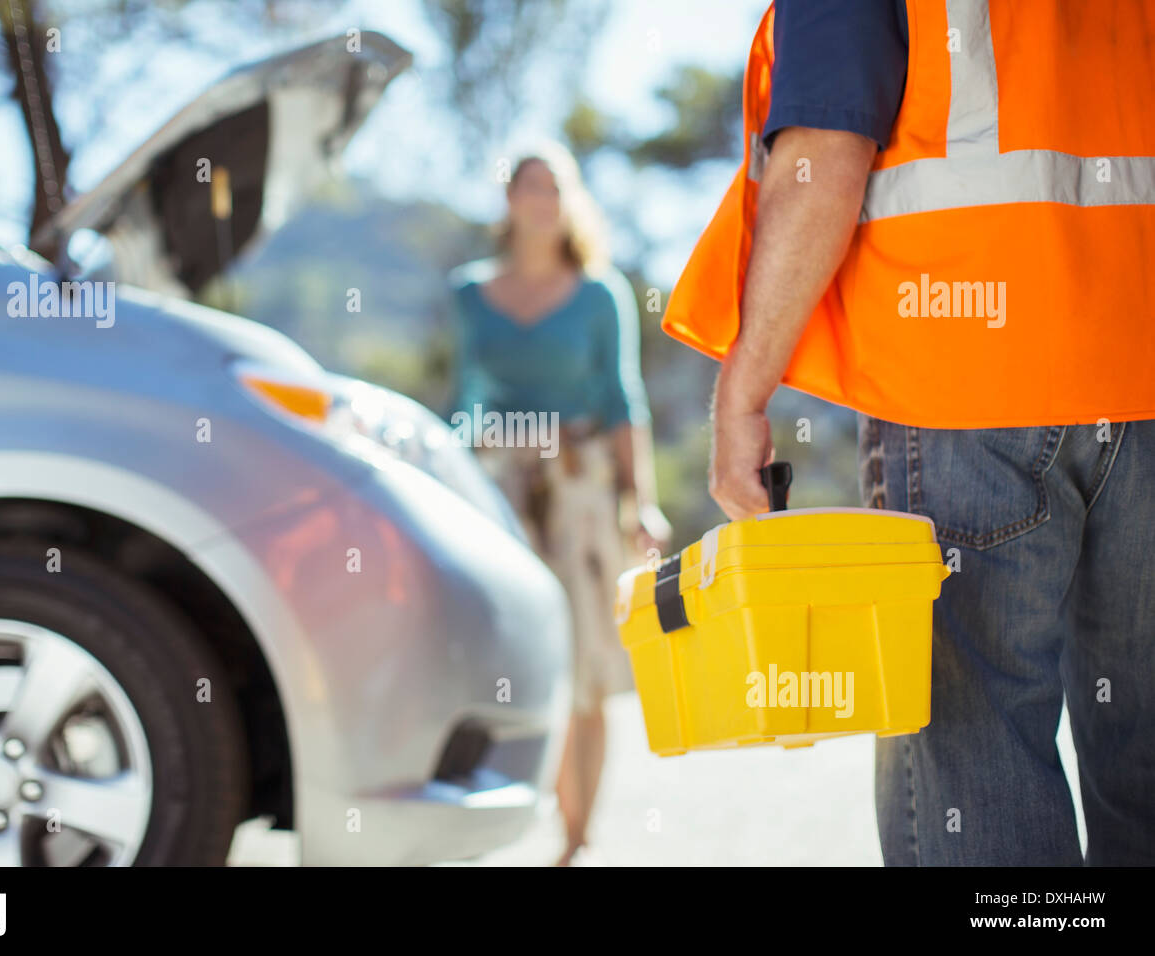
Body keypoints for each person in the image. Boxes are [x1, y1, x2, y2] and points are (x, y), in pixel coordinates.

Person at [663, 0, 1155, 865]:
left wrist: (744, 394)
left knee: (978, 749)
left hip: (965, 380)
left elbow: (824, 155)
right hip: (1140, 362)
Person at [447, 143, 671, 866]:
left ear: (569, 201)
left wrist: (643, 501)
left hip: (582, 489)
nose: (543, 200)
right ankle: (503, 815)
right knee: (503, 654)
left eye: (556, 187)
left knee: (586, 661)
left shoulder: (600, 293)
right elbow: (464, 402)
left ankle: (577, 840)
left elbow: (620, 399)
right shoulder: (468, 293)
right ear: (509, 199)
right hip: (499, 490)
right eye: (530, 186)